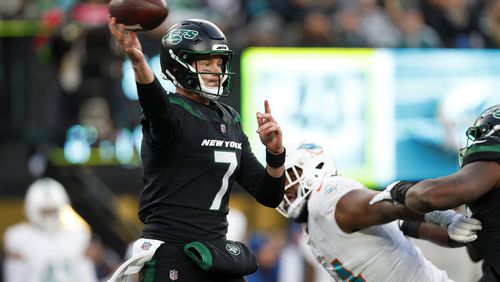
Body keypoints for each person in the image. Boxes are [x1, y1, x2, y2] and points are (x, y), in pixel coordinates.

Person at [107, 17, 286, 282]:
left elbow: (268, 194)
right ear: (178, 66)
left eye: (218, 62)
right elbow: (156, 105)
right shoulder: (172, 113)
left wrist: (275, 154)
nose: (216, 70)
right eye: (206, 62)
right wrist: (138, 61)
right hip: (171, 252)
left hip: (216, 252)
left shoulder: (229, 118)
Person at [276, 142, 482, 281]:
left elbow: (385, 204)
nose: (285, 188)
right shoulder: (311, 226)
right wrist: (453, 225)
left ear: (315, 168)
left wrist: (443, 216)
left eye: (290, 176)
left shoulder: (326, 198)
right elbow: (410, 225)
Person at [370, 104, 500, 281]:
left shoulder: (489, 167)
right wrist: (403, 223)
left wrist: (399, 190)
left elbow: (429, 196)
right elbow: (475, 245)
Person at [3, 178, 97, 282]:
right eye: (44, 211)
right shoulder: (18, 237)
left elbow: (86, 275)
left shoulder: (78, 233)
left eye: (52, 211)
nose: (49, 216)